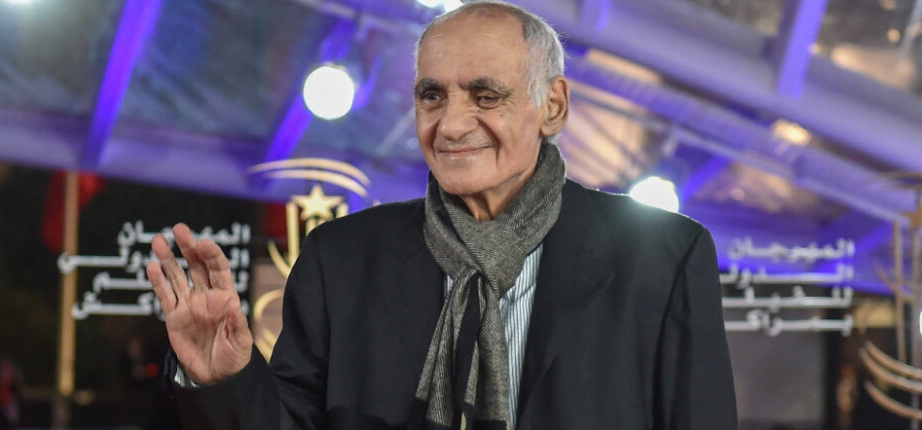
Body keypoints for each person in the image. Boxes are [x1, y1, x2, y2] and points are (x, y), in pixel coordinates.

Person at [147, 1, 738, 429]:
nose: (451, 125)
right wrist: (219, 379)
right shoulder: (341, 259)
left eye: (485, 95)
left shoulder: (663, 258)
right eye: (432, 95)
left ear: (552, 106)